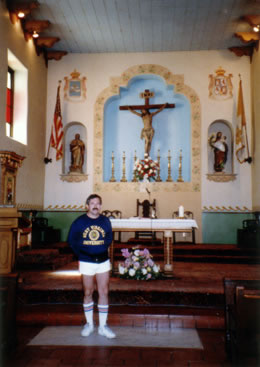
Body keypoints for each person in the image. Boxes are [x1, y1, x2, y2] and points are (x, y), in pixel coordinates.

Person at [68, 194, 116, 339]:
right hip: (86, 261)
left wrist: (99, 250)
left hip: (102, 261)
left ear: (101, 206)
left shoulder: (105, 220)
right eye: (92, 203)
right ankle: (89, 324)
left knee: (104, 292)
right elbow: (72, 240)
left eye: (98, 203)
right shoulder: (79, 222)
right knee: (88, 292)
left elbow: (108, 238)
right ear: (87, 206)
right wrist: (82, 254)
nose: (96, 206)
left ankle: (102, 326)